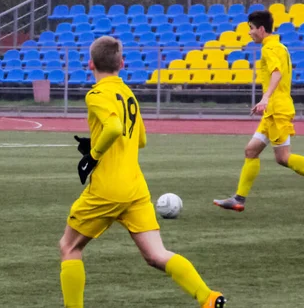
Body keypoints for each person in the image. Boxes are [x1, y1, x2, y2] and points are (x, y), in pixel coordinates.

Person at [60, 36, 226, 308]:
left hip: (107, 188)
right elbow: (140, 140)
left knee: (69, 247)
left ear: (90, 64)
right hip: (135, 188)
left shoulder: (97, 94)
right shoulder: (128, 94)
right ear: (121, 63)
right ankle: (207, 297)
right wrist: (98, 139)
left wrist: (93, 155)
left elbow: (113, 128)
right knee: (156, 255)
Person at [214, 10, 304, 212]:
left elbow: (277, 73)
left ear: (262, 29)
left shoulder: (269, 49)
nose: (250, 33)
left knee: (283, 157)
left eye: (252, 29)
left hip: (277, 109)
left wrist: (265, 98)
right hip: (272, 110)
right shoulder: (278, 46)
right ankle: (239, 199)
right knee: (251, 151)